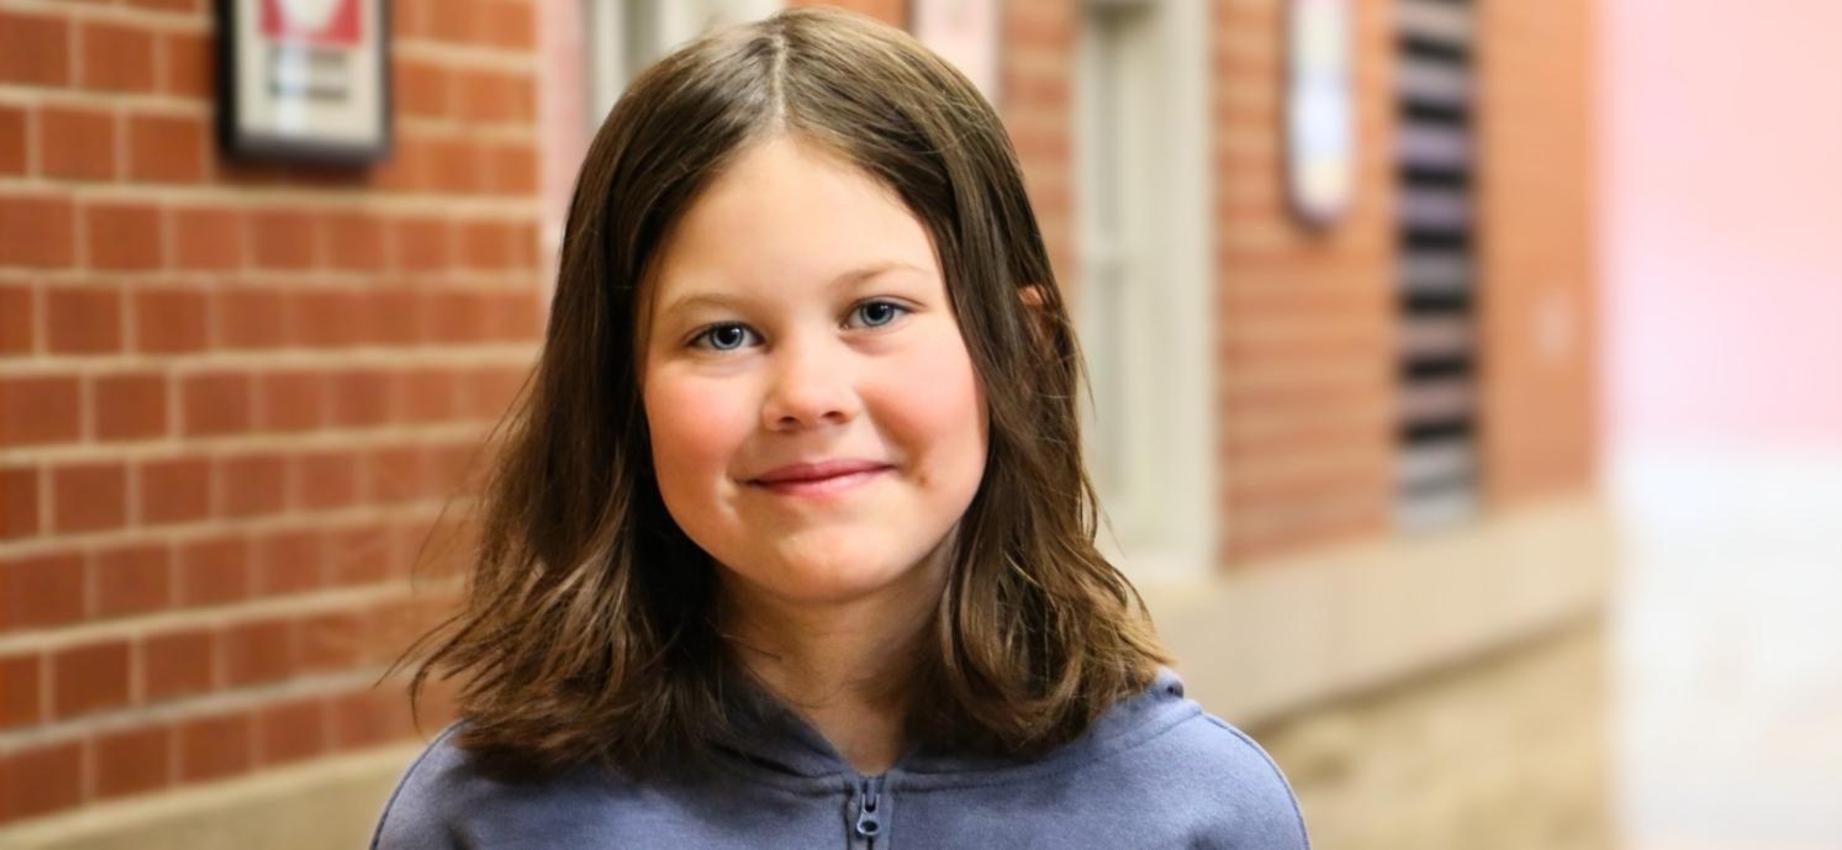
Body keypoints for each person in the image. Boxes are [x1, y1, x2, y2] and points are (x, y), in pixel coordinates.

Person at [369, 7, 1309, 849]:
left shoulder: (1200, 814)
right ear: (620, 388)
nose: (807, 395)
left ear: (1015, 349)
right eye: (724, 334)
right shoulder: (485, 820)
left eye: (876, 312)